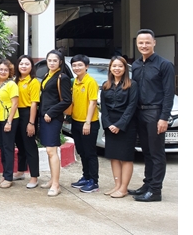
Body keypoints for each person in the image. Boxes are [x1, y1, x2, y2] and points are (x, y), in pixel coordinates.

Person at [129, 29, 175, 202]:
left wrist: (164, 117)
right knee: (146, 152)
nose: (144, 45)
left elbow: (169, 93)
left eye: (147, 42)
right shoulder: (135, 65)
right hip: (139, 113)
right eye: (141, 42)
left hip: (155, 113)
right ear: (137, 44)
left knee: (156, 153)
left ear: (154, 43)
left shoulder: (165, 65)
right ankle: (147, 185)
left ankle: (155, 190)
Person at [101, 56, 138, 198]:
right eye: (114, 66)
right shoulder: (106, 85)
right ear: (110, 68)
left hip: (126, 125)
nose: (117, 69)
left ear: (125, 68)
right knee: (114, 157)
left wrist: (119, 125)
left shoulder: (132, 84)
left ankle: (123, 188)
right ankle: (117, 185)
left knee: (126, 157)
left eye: (120, 66)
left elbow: (131, 107)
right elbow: (103, 108)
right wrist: (108, 124)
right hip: (110, 125)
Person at [39, 49, 72, 197]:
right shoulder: (48, 75)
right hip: (45, 117)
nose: (52, 63)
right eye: (49, 60)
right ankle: (52, 180)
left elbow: (66, 100)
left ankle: (56, 185)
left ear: (60, 62)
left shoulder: (62, 77)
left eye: (55, 61)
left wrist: (50, 113)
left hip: (52, 118)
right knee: (49, 150)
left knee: (52, 151)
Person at [69, 55, 101, 193]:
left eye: (80, 65)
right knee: (82, 151)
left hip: (89, 123)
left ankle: (94, 181)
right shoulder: (75, 81)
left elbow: (93, 103)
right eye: (74, 65)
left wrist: (87, 123)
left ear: (86, 66)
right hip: (76, 121)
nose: (77, 68)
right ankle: (86, 176)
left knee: (90, 153)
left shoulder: (90, 82)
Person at [13, 55, 40, 189]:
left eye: (27, 64)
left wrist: (31, 123)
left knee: (30, 146)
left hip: (28, 113)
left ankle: (34, 177)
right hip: (16, 114)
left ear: (31, 66)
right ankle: (20, 171)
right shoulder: (15, 80)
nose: (23, 66)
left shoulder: (34, 82)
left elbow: (34, 104)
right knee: (20, 145)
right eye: (21, 64)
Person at [0, 59, 19, 189]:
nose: (3, 72)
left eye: (5, 70)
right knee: (2, 147)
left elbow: (15, 104)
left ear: (10, 72)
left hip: (9, 119)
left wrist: (9, 122)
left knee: (8, 148)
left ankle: (9, 177)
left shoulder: (11, 84)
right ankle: (4, 174)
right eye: (0, 69)